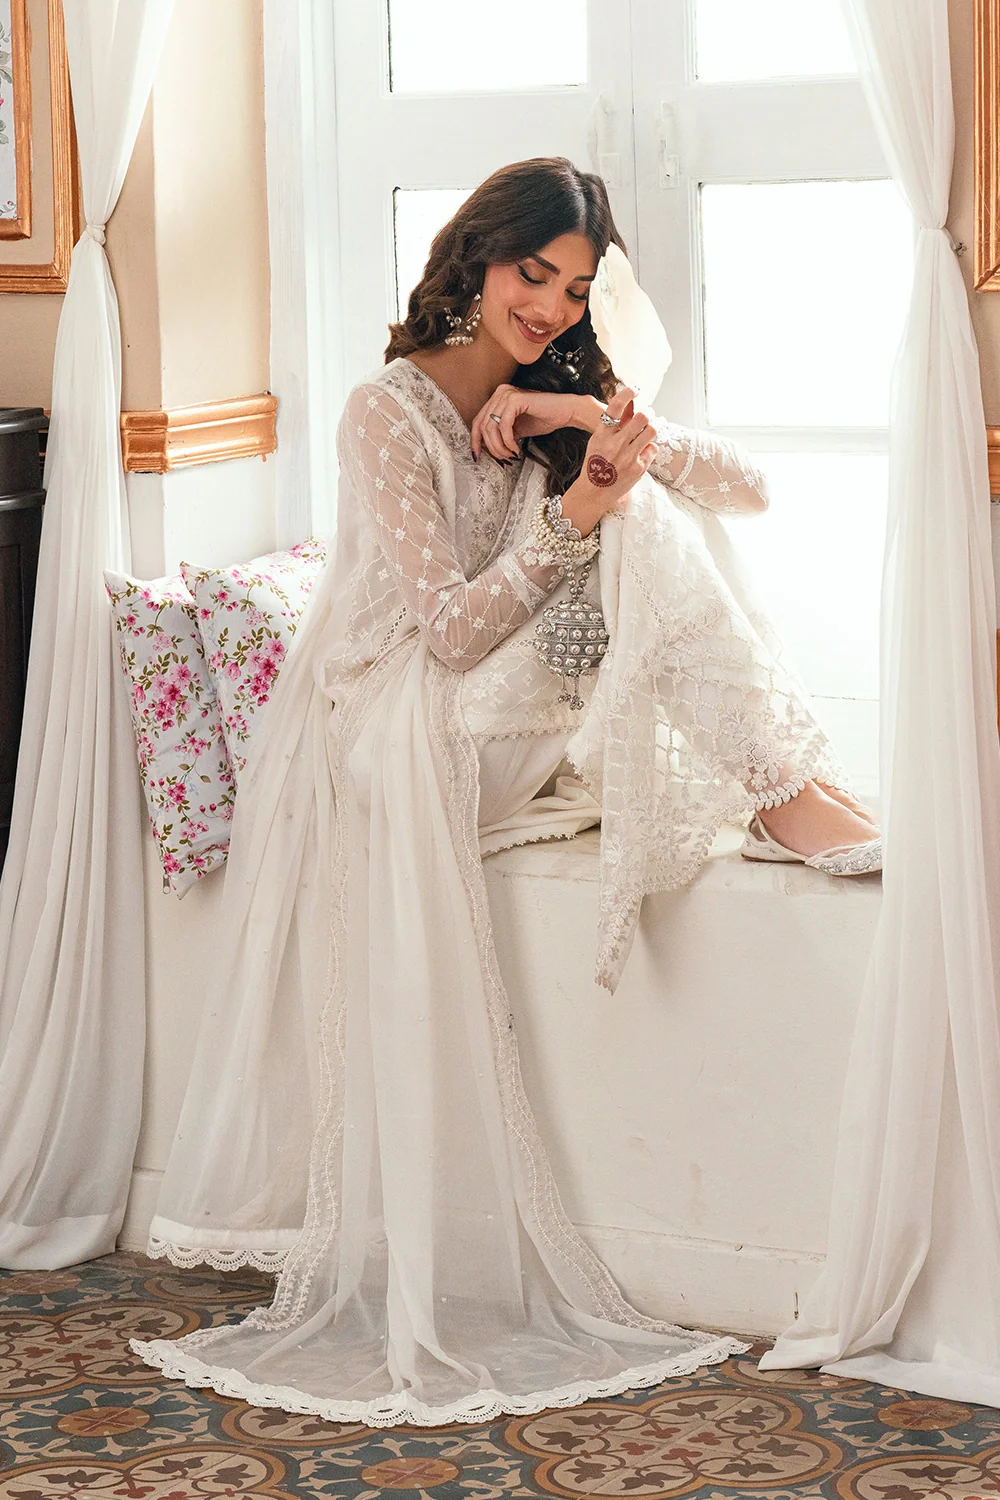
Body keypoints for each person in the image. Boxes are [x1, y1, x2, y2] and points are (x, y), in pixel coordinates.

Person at [131, 158, 879, 1425]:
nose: (548, 304)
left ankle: (785, 788)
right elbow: (448, 634)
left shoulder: (556, 383)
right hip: (401, 727)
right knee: (631, 525)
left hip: (511, 699)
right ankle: (785, 792)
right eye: (532, 274)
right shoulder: (386, 412)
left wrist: (574, 415)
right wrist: (578, 510)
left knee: (649, 516)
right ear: (474, 259)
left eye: (574, 288)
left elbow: (751, 489)